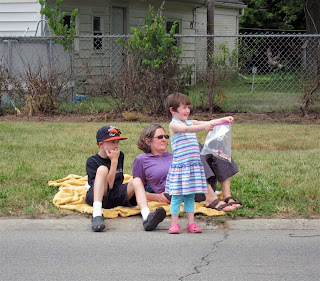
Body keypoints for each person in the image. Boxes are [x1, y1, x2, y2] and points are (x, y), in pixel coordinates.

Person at [165, 92, 234, 234]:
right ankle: (174, 223)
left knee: (190, 196)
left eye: (188, 107)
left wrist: (224, 119)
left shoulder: (191, 122)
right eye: (183, 108)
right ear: (172, 110)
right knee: (177, 197)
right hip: (181, 168)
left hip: (193, 167)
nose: (187, 111)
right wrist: (204, 127)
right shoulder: (174, 125)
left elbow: (208, 122)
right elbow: (186, 130)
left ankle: (191, 224)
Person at [132, 124, 242, 212]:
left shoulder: (173, 154)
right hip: (175, 192)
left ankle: (227, 196)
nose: (164, 139)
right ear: (148, 141)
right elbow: (136, 189)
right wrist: (155, 197)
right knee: (192, 145)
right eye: (160, 137)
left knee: (215, 147)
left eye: (166, 136)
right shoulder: (142, 160)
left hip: (196, 188)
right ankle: (211, 198)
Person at [85, 125, 166, 232]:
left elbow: (116, 185)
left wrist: (116, 159)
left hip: (116, 195)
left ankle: (147, 217)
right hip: (100, 196)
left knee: (136, 181)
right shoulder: (92, 161)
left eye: (117, 142)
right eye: (112, 142)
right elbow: (109, 185)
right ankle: (97, 215)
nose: (116, 146)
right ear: (101, 144)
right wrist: (114, 161)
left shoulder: (120, 155)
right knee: (102, 169)